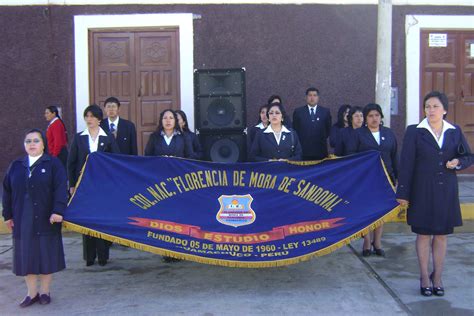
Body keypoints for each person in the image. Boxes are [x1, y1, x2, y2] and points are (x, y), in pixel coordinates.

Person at [396, 91, 472, 297]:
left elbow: (468, 156)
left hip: (446, 190)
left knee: (440, 235)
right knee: (423, 234)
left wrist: (458, 162)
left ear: (445, 110)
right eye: (427, 106)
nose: (431, 110)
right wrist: (402, 192)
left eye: (435, 106)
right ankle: (424, 276)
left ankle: (437, 277)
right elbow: (406, 164)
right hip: (421, 190)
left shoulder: (454, 131)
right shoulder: (414, 131)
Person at [2, 129, 67, 307]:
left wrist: (58, 210)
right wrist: (7, 214)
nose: (32, 144)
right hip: (23, 219)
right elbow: (6, 191)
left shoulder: (53, 164)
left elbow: (60, 189)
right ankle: (32, 294)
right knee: (27, 257)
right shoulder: (16, 165)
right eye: (28, 141)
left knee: (46, 255)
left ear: (43, 144)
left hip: (47, 218)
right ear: (24, 145)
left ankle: (45, 292)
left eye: (36, 141)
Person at [67, 104, 120, 267]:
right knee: (87, 220)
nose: (89, 120)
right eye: (87, 116)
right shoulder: (79, 137)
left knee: (102, 219)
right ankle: (89, 257)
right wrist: (72, 184)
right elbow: (71, 162)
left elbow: (116, 160)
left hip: (103, 186)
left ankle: (103, 256)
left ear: (99, 119)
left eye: (92, 117)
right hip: (83, 186)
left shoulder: (108, 137)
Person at [356, 103, 398, 257]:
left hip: (385, 179)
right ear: (366, 119)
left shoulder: (389, 133)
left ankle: (377, 242)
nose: (374, 119)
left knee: (381, 212)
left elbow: (394, 156)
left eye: (377, 115)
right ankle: (367, 241)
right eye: (371, 116)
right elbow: (353, 158)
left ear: (381, 117)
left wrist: (397, 178)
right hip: (365, 180)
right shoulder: (359, 134)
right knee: (366, 212)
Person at [292, 87, 332, 161]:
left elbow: (328, 130)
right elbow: (295, 129)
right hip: (304, 151)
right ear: (306, 97)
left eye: (314, 95)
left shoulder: (325, 112)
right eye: (310, 95)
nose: (312, 98)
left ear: (318, 97)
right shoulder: (298, 112)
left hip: (320, 151)